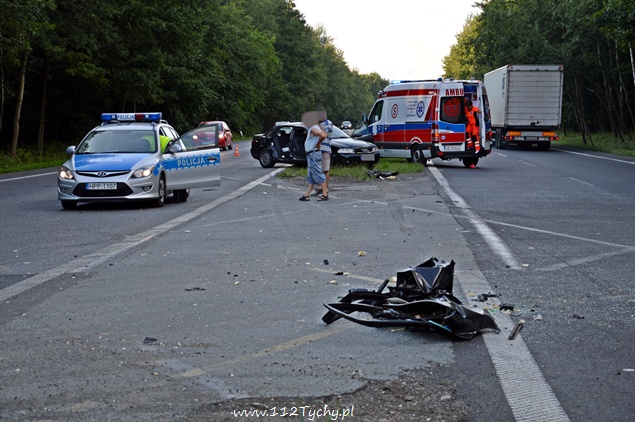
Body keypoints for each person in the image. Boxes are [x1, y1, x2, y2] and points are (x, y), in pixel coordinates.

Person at [299, 113, 329, 202]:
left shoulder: (313, 128)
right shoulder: (317, 127)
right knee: (311, 175)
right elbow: (325, 134)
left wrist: (317, 143)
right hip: (313, 153)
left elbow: (323, 136)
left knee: (318, 173)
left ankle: (324, 194)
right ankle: (307, 195)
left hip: (313, 153)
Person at [315, 116, 333, 196]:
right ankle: (319, 188)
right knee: (318, 170)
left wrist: (317, 125)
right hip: (317, 150)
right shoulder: (319, 123)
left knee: (325, 170)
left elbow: (323, 134)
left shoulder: (328, 123)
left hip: (325, 149)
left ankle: (325, 190)